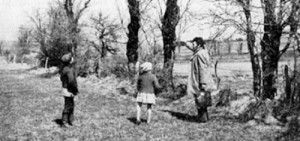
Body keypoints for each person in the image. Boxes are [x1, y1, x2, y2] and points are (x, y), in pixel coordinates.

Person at [186, 37, 213, 122]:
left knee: (201, 101)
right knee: (202, 100)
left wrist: (203, 83)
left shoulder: (199, 54)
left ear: (199, 45)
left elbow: (202, 69)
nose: (192, 46)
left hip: (200, 82)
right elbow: (188, 45)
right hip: (201, 81)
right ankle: (204, 118)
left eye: (194, 44)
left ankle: (202, 119)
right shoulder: (201, 52)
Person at [59, 53, 78, 127]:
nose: (72, 58)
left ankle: (70, 120)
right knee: (68, 106)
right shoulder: (69, 70)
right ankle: (65, 122)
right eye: (71, 58)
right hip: (69, 90)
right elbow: (71, 81)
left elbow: (61, 79)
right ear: (70, 61)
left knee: (70, 105)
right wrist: (74, 89)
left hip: (65, 89)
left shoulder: (64, 68)